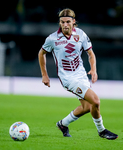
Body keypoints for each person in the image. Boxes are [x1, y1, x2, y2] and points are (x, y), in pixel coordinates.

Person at [38, 8, 118, 140]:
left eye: (68, 22)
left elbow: (90, 53)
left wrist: (93, 69)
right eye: (62, 22)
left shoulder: (80, 34)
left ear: (73, 21)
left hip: (81, 75)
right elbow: (41, 53)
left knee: (87, 107)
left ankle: (63, 124)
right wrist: (44, 75)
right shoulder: (52, 38)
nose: (65, 25)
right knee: (95, 101)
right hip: (68, 79)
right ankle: (101, 130)